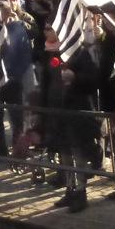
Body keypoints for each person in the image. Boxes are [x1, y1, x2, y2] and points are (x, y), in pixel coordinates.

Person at [40, 29, 102, 212]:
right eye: (46, 29)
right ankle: (70, 188)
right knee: (64, 151)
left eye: (50, 29)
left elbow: (93, 81)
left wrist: (76, 78)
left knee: (78, 151)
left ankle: (81, 192)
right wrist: (41, 110)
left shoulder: (80, 53)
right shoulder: (50, 53)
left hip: (76, 110)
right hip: (57, 110)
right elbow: (45, 83)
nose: (46, 33)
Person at [0, 1, 36, 156]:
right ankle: (0, 150)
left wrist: (21, 18)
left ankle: (19, 148)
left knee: (18, 117)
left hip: (13, 80)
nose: (1, 15)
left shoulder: (17, 26)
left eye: (4, 12)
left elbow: (27, 44)